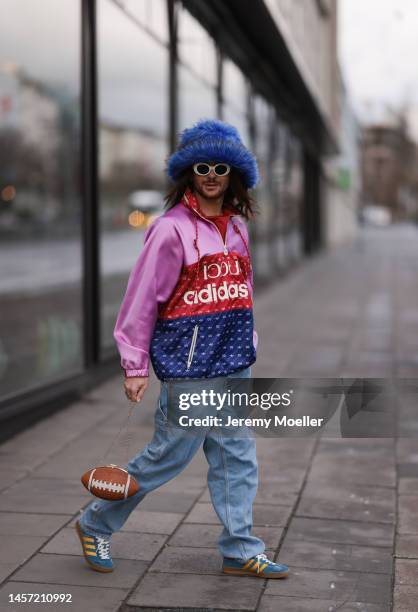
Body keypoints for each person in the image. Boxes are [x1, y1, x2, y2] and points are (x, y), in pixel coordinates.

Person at [76, 119, 289, 579]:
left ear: (234, 174)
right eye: (201, 166)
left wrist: (249, 341)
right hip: (191, 366)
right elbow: (140, 298)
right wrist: (134, 364)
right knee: (167, 456)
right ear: (188, 173)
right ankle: (95, 522)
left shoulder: (237, 228)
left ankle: (240, 547)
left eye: (220, 167)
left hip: (234, 362)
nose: (211, 174)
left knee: (237, 455)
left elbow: (243, 288)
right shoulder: (170, 230)